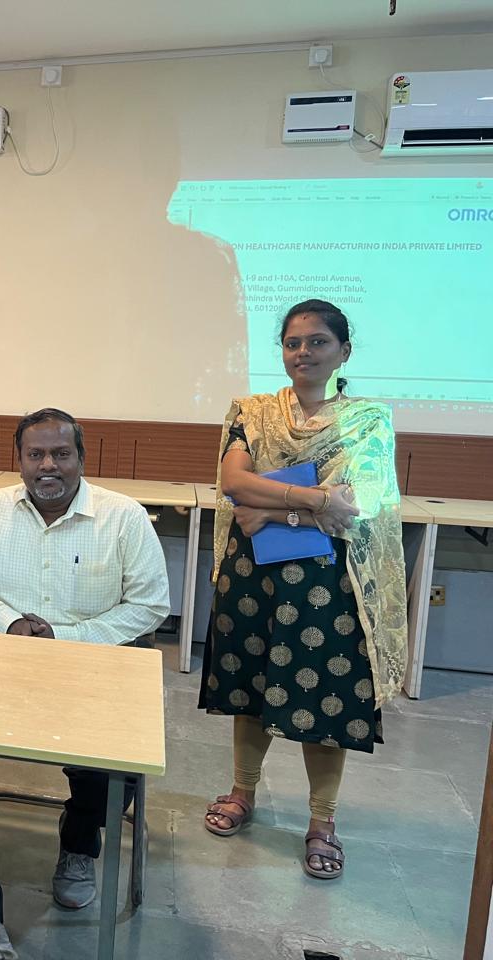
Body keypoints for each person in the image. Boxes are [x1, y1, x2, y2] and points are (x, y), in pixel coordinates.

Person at [0, 408, 170, 960]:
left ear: (80, 459)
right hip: (3, 664)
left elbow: (149, 604)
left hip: (90, 669)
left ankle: (79, 843)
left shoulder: (123, 517)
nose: (48, 466)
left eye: (60, 454)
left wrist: (65, 637)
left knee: (106, 756)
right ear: (18, 460)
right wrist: (10, 624)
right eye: (35, 454)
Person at [199, 299, 406, 881]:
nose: (303, 353)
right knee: (249, 688)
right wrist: (314, 501)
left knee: (328, 700)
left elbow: (360, 501)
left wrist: (271, 512)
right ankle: (243, 792)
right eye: (293, 343)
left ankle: (322, 820)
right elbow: (233, 481)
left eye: (317, 342)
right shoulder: (253, 412)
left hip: (327, 583)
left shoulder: (367, 421)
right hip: (254, 575)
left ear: (344, 351)